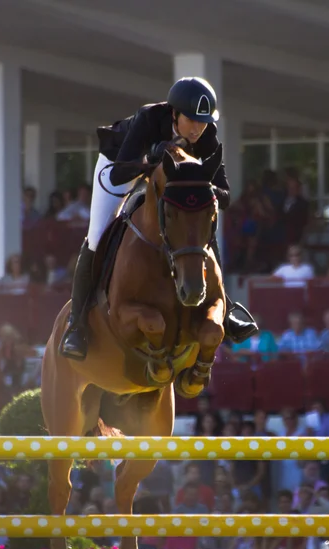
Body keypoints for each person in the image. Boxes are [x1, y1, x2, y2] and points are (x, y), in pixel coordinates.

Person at [60, 77, 258, 360]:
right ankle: (76, 325)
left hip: (170, 182)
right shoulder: (149, 119)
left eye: (203, 121)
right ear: (175, 114)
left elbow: (224, 195)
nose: (198, 128)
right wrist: (152, 159)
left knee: (200, 230)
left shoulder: (207, 135)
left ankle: (224, 309)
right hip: (120, 166)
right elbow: (119, 174)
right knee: (96, 236)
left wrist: (204, 188)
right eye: (192, 120)